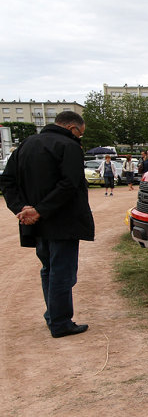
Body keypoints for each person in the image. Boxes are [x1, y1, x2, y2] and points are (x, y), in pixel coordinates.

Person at [0, 111, 94, 338]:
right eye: (80, 134)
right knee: (62, 272)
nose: (79, 138)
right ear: (73, 128)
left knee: (48, 269)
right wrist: (40, 210)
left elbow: (7, 181)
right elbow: (69, 184)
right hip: (63, 221)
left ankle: (53, 315)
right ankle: (61, 322)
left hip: (37, 224)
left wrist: (21, 209)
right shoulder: (69, 146)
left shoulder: (25, 144)